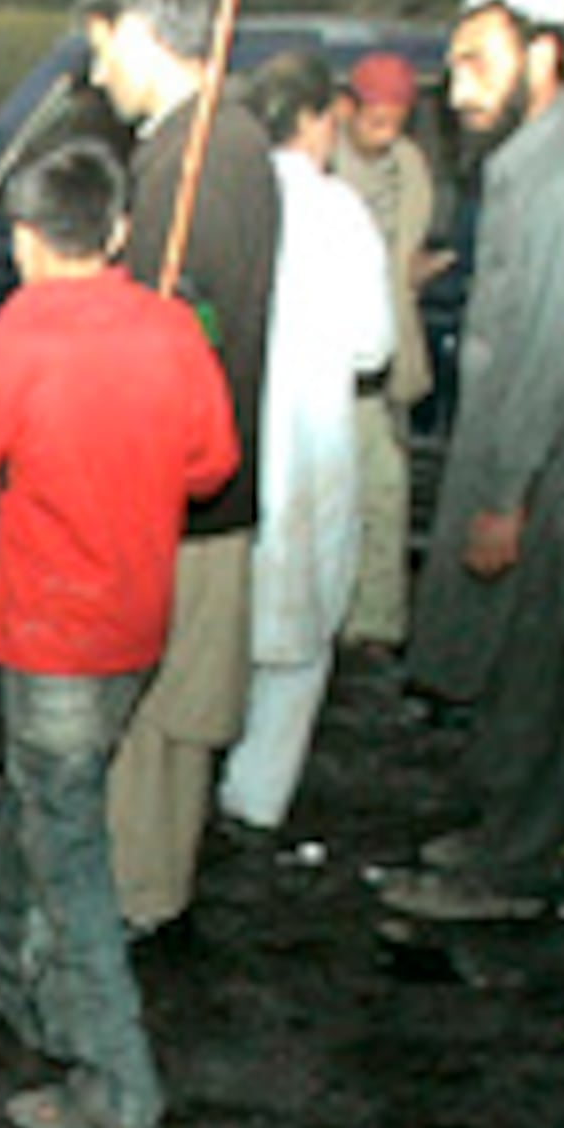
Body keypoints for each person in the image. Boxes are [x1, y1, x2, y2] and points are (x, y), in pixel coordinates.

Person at [0, 141, 239, 1128]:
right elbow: (211, 466)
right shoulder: (171, 327)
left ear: (26, 240)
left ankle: (118, 1078)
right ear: (115, 233)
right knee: (41, 799)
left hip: (47, 631)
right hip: (136, 622)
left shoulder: (13, 338)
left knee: (70, 852)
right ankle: (15, 984)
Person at [381, 0, 564, 924]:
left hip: (554, 488)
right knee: (508, 666)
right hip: (530, 474)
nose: (457, 89)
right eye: (454, 65)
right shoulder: (535, 164)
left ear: (544, 59)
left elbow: (557, 356)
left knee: (540, 673)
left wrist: (506, 496)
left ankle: (510, 871)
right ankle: (499, 830)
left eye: (478, 64)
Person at [78, 0, 279, 938]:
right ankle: (142, 885)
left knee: (161, 715)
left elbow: (187, 337)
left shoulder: (204, 160)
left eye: (101, 42)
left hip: (183, 500)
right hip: (184, 493)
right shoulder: (196, 146)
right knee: (153, 714)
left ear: (147, 32)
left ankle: (140, 898)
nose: (94, 71)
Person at [217, 54, 394, 836]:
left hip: (232, 442)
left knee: (219, 619)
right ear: (319, 120)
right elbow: (371, 348)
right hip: (312, 445)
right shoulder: (340, 213)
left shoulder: (228, 205)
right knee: (296, 646)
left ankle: (190, 785)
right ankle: (253, 800)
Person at [333, 52, 442, 651]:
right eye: (376, 119)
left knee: (385, 497)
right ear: (348, 108)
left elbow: (406, 249)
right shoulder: (323, 167)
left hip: (390, 362)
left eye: (398, 120)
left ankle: (372, 630)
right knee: (347, 499)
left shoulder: (409, 167)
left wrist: (410, 273)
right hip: (335, 370)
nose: (388, 133)